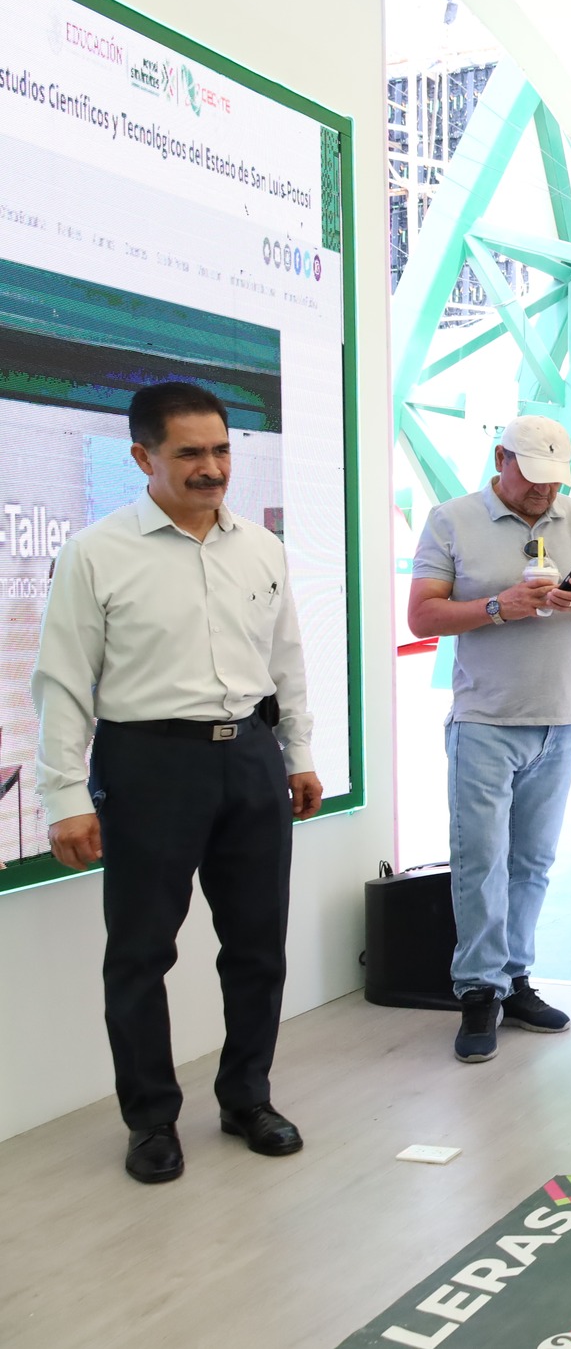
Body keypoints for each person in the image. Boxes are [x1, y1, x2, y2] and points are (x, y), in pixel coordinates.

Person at [30, 382, 323, 1184]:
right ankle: (151, 1119)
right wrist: (64, 796)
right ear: (142, 457)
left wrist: (298, 752)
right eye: (190, 452)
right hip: (148, 765)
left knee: (258, 946)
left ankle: (247, 1097)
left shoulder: (260, 547)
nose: (212, 468)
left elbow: (286, 660)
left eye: (222, 449)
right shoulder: (96, 552)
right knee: (140, 952)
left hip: (252, 757)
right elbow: (62, 682)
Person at [407, 415, 571, 1063]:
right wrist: (499, 606)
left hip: (559, 720)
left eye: (554, 481)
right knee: (481, 861)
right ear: (500, 457)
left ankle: (515, 979)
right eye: (532, 477)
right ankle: (479, 990)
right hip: (485, 721)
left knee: (532, 863)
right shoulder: (451, 520)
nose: (543, 492)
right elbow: (421, 614)